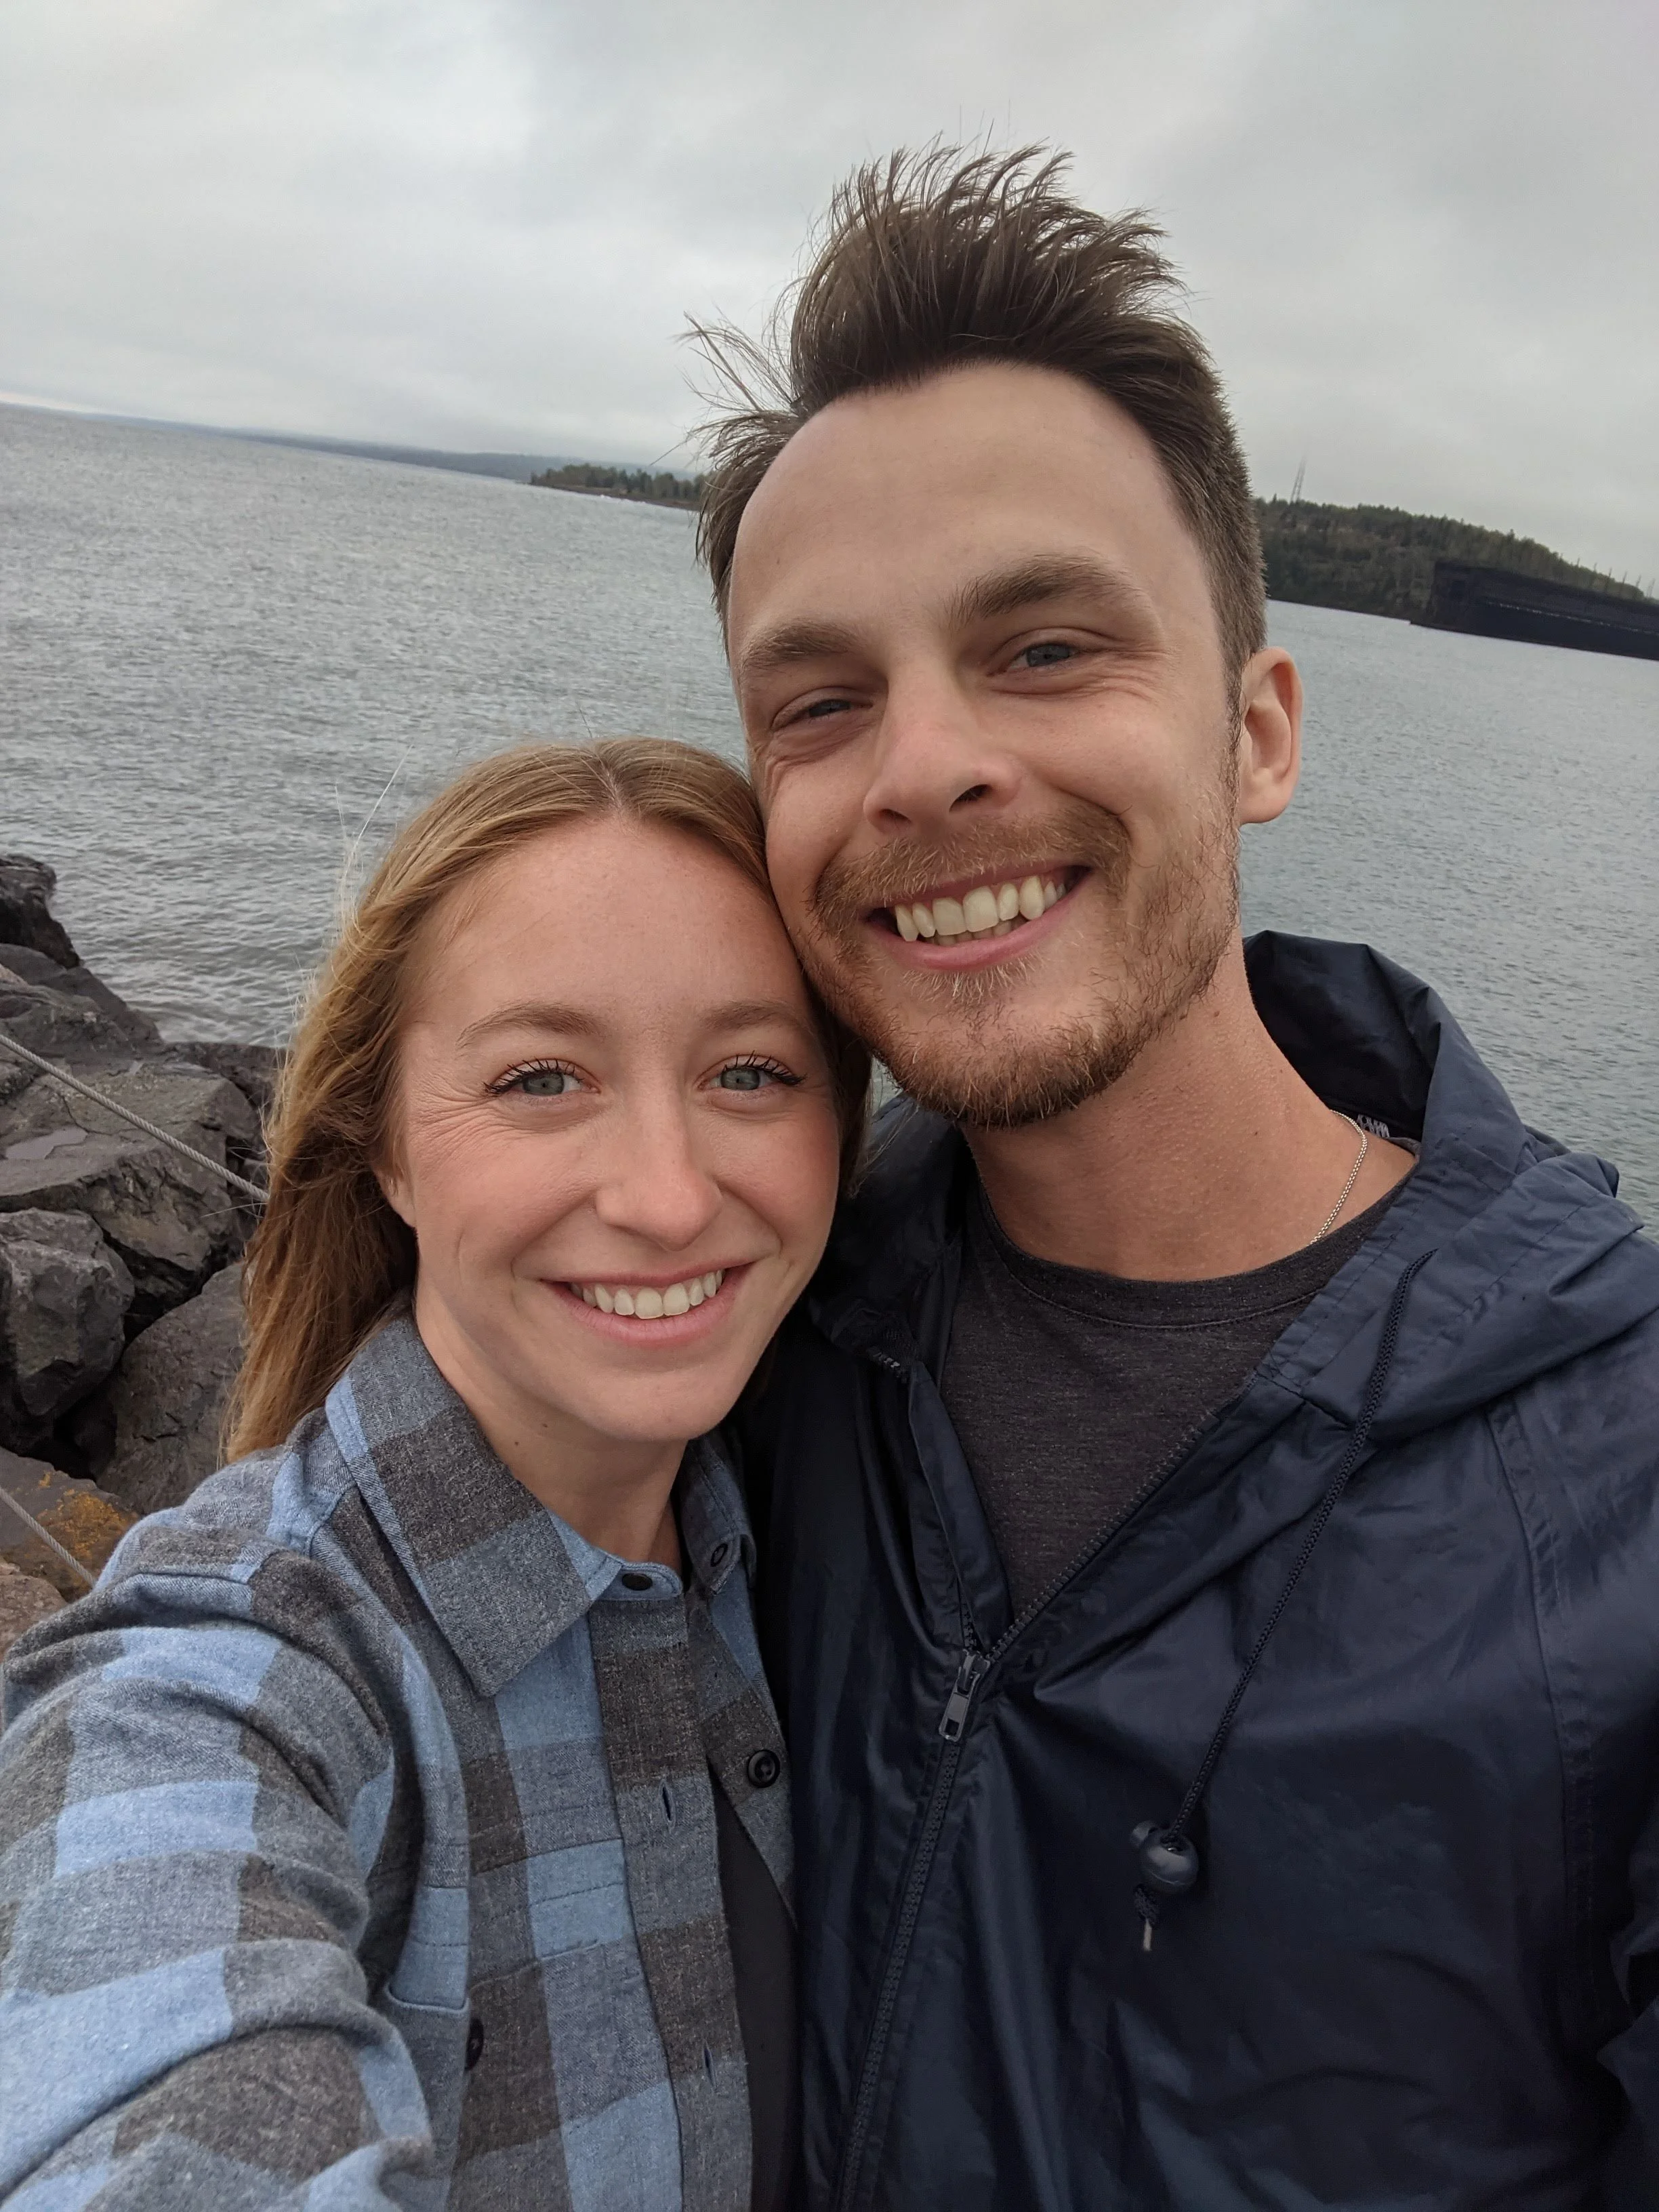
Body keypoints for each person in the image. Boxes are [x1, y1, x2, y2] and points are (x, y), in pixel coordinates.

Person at [698, 148, 1659, 2207]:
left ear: (1260, 734)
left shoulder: (1621, 1489)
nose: (927, 766)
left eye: (1043, 648)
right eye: (822, 699)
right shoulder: (739, 1326)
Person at [0, 739, 868, 2211]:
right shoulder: (228, 1677)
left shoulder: (820, 1533)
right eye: (541, 1077)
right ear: (383, 1143)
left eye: (751, 1072)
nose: (664, 1195)